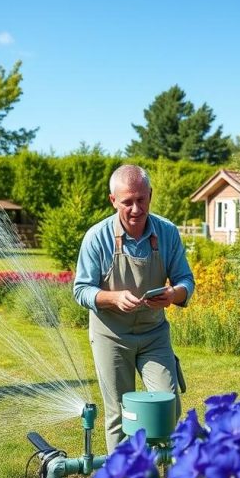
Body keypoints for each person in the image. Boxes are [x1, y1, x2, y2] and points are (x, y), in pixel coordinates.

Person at [73, 164, 195, 454]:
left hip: (154, 333)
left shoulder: (166, 233)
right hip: (111, 336)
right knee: (119, 412)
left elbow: (185, 280)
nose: (136, 208)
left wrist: (173, 294)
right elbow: (81, 290)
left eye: (141, 199)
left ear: (150, 195)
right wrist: (113, 299)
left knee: (167, 402)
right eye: (127, 201)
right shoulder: (97, 237)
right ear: (113, 200)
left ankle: (158, 473)